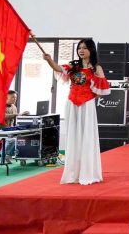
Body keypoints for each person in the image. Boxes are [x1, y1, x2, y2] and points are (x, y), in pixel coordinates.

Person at [43, 39, 109, 185]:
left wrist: (89, 98)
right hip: (72, 104)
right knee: (73, 136)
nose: (81, 50)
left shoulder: (96, 68)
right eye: (79, 48)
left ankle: (87, 173)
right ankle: (73, 174)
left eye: (85, 48)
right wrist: (49, 60)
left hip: (87, 105)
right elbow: (58, 68)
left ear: (91, 50)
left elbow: (102, 90)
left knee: (87, 136)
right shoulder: (73, 66)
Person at [0, 91, 29, 163]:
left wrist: (23, 115)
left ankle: (9, 155)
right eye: (12, 97)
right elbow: (3, 116)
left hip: (10, 130)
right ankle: (2, 155)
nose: (14, 99)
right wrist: (18, 114)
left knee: (22, 138)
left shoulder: (14, 107)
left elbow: (16, 117)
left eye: (15, 97)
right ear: (6, 97)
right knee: (12, 140)